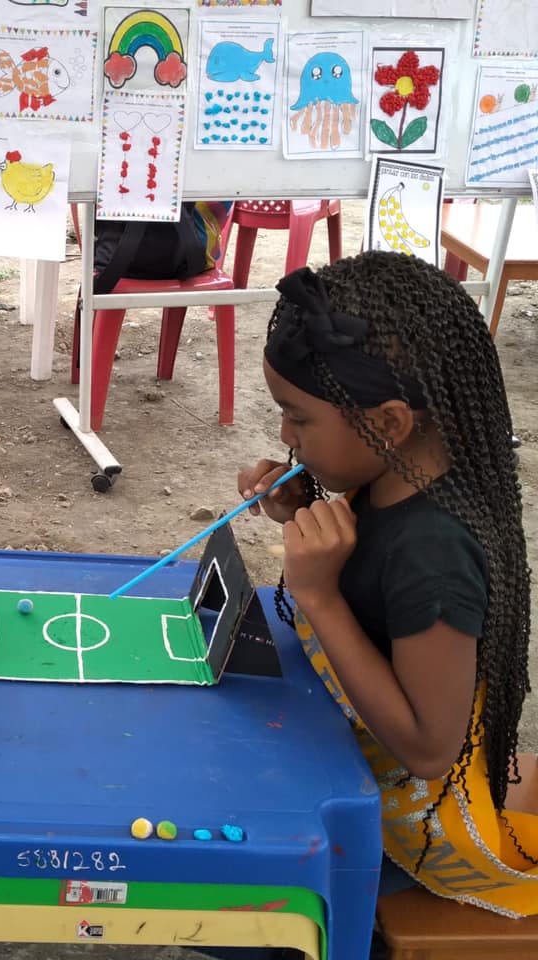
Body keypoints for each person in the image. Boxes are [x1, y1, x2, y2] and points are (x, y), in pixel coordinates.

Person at [237, 250, 537, 933]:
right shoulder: (391, 477)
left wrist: (319, 595)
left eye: (298, 418)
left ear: (392, 423)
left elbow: (430, 748)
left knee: (230, 899)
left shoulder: (434, 554)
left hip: (409, 834)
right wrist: (304, 504)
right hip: (353, 767)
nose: (284, 435)